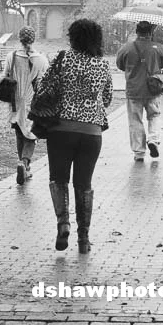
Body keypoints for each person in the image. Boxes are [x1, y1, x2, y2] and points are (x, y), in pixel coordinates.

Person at [45, 18, 113, 254]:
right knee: (84, 184)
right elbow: (106, 99)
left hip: (60, 129)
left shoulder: (63, 59)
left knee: (59, 179)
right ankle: (83, 238)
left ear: (72, 37)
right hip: (91, 132)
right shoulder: (102, 65)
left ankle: (63, 222)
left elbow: (47, 87)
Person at [116, 20, 163, 162]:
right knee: (154, 115)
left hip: (134, 89)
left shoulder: (127, 48)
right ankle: (153, 139)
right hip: (153, 89)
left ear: (137, 32)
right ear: (150, 32)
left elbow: (120, 65)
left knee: (135, 120)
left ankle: (139, 152)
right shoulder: (159, 48)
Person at [4, 25, 48, 184]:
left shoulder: (12, 56)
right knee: (30, 134)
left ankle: (23, 165)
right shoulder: (42, 59)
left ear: (19, 38)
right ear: (34, 39)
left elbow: (5, 77)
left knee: (19, 132)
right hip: (33, 102)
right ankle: (25, 163)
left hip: (15, 101)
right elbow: (45, 82)